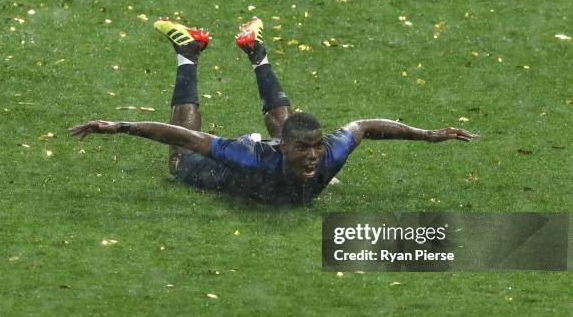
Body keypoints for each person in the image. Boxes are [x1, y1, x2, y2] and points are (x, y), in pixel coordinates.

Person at [69, 17, 477, 205]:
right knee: (180, 160)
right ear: (283, 151)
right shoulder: (250, 156)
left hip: (274, 156)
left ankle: (255, 50)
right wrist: (119, 126)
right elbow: (184, 137)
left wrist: (428, 135)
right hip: (223, 173)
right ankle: (187, 52)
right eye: (306, 150)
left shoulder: (327, 152)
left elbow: (366, 126)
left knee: (290, 126)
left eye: (316, 147)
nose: (315, 155)